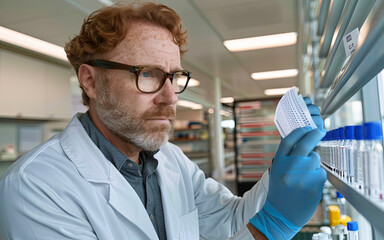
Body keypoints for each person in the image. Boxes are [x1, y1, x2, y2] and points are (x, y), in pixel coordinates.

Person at [0, 2, 326, 240]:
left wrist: (283, 167)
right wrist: (268, 228)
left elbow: (229, 221)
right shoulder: (37, 186)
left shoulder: (169, 160)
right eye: (147, 74)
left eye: (173, 77)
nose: (170, 97)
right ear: (91, 81)